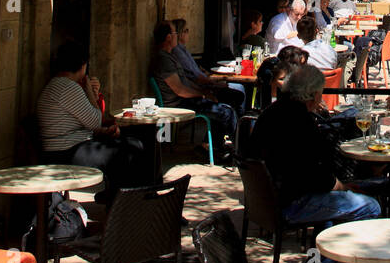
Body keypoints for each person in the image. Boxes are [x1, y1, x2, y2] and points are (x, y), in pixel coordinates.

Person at [248, 63, 381, 263]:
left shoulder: (272, 113)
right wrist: (339, 186)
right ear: (313, 94)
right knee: (370, 207)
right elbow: (313, 171)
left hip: (269, 201)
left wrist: (336, 187)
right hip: (290, 202)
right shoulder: (300, 120)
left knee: (335, 212)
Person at [37, 40, 147, 195]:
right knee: (130, 150)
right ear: (83, 65)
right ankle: (128, 202)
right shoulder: (68, 87)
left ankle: (127, 198)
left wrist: (103, 131)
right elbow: (96, 121)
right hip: (65, 153)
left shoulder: (58, 85)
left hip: (66, 148)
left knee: (133, 143)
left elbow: (82, 124)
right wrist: (89, 90)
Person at [149, 22, 238, 156]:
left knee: (227, 107)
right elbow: (180, 90)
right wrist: (202, 94)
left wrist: (205, 91)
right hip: (179, 103)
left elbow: (186, 83)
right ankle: (225, 150)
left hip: (186, 100)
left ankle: (213, 147)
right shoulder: (163, 60)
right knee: (226, 112)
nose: (177, 36)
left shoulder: (170, 56)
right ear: (168, 37)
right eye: (175, 33)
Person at [170, 18, 246, 116]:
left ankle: (235, 123)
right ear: (180, 34)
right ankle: (237, 124)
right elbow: (195, 77)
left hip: (203, 86)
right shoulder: (178, 53)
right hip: (199, 89)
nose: (188, 33)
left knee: (238, 90)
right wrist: (213, 86)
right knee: (237, 94)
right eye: (186, 30)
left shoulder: (183, 50)